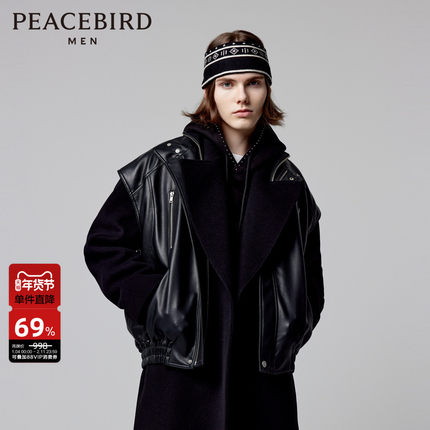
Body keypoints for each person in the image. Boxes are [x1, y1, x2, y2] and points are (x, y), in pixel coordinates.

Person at [84, 29, 325, 430]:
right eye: (227, 83)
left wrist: (292, 326)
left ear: (267, 90)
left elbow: (310, 279)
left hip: (263, 377)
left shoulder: (289, 182)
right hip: (182, 369)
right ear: (210, 91)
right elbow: (103, 245)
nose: (242, 96)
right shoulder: (160, 168)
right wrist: (158, 303)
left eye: (254, 82)